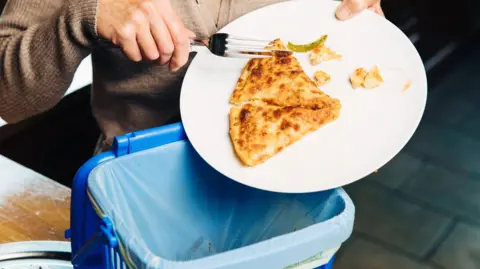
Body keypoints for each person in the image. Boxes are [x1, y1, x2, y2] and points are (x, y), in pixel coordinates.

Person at [0, 0, 383, 153]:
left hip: (295, 172)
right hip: (143, 179)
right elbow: (8, 98)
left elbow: (350, 53)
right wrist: (85, 17)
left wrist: (363, 18)